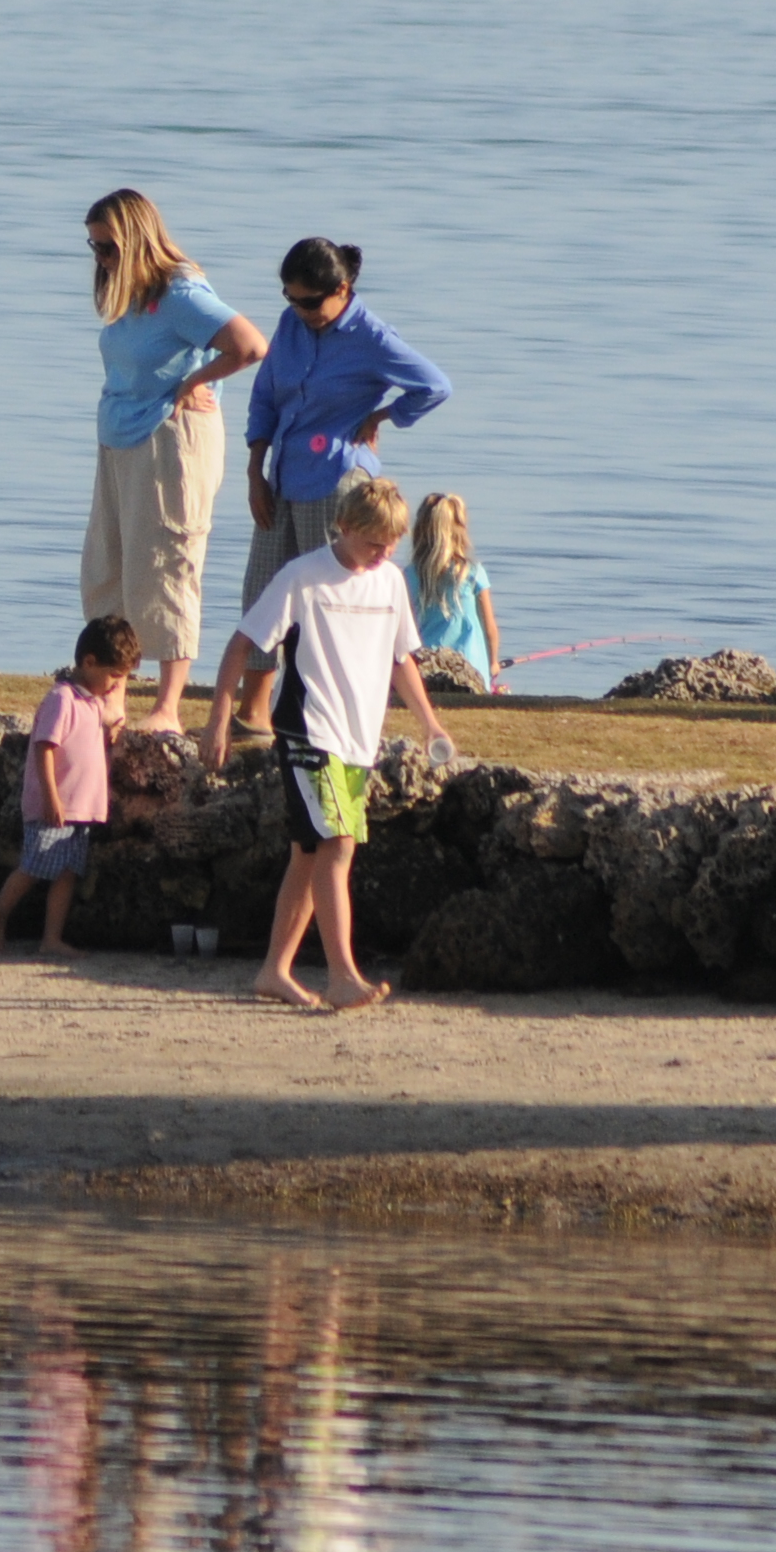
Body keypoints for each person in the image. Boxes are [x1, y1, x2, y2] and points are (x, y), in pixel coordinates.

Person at [204, 477, 452, 1011]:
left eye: (391, 543)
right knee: (337, 846)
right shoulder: (302, 576)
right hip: (307, 731)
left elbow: (401, 660)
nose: (382, 553)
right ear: (343, 526)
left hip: (358, 739)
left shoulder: (390, 582)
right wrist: (219, 717)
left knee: (308, 852)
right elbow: (242, 643)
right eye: (373, 542)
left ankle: (274, 970)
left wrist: (430, 724)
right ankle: (343, 976)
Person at [235, 240, 452, 699]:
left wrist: (382, 416)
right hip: (282, 477)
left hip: (336, 481)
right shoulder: (290, 324)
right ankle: (253, 711)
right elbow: (264, 397)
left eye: (311, 301)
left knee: (328, 599)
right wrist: (255, 470)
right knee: (262, 594)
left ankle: (323, 702)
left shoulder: (372, 338)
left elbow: (434, 385)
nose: (301, 310)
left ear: (342, 289)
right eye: (291, 299)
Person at [80, 190, 265, 727]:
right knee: (108, 568)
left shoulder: (180, 291)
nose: (101, 259)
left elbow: (249, 345)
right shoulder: (131, 294)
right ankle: (113, 695)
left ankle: (167, 707)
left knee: (164, 566)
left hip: (169, 442)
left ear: (136, 239)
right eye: (93, 247)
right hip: (121, 439)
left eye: (109, 248)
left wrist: (195, 381)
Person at [0, 614, 136, 954]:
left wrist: (113, 730)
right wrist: (51, 798)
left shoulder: (93, 702)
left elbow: (96, 732)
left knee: (67, 872)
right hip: (54, 804)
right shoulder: (62, 699)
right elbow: (45, 747)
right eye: (114, 675)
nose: (116, 685)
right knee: (34, 865)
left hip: (80, 807)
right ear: (89, 662)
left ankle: (51, 938)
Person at [407, 491, 501, 694]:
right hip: (471, 669)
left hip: (426, 667)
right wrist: (493, 663)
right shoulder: (473, 573)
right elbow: (490, 629)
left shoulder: (408, 575)